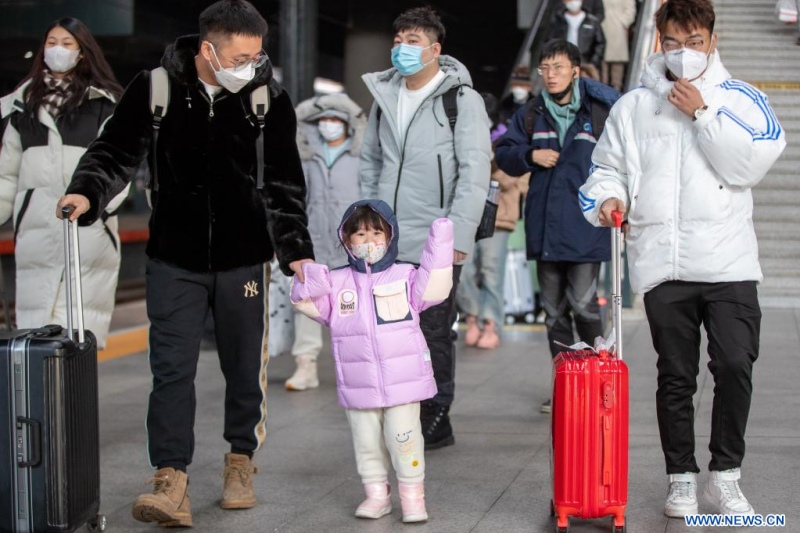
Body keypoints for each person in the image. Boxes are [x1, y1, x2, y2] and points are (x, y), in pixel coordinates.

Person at [56, 0, 314, 527]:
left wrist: (296, 252)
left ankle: (241, 459)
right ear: (208, 50)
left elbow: (285, 183)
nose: (252, 64)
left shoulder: (267, 99)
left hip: (244, 260)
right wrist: (86, 192)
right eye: (241, 56)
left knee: (245, 368)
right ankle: (170, 478)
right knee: (170, 371)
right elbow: (114, 151)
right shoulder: (156, 89)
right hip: (174, 256)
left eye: (258, 54)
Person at [579, 0, 785, 519]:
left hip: (729, 263)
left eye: (695, 42)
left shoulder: (742, 98)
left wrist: (702, 112)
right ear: (659, 41)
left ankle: (727, 475)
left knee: (735, 364)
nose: (684, 53)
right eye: (674, 42)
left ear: (711, 42)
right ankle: (682, 479)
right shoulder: (633, 107)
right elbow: (605, 169)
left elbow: (749, 165)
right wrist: (607, 199)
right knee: (675, 375)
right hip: (663, 262)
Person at [359, 6, 492, 450]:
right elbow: (371, 163)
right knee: (390, 330)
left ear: (435, 50)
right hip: (386, 239)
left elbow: (475, 171)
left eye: (412, 41)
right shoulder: (384, 96)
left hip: (436, 239)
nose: (402, 48)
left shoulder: (461, 100)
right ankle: (402, 412)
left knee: (434, 329)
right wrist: (366, 223)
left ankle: (437, 415)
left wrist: (457, 234)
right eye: (398, 39)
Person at [290, 200, 453, 523]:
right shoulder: (337, 282)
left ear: (390, 236)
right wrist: (312, 276)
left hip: (402, 382)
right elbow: (306, 302)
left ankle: (412, 498)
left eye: (376, 233)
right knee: (366, 443)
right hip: (359, 383)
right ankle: (376, 495)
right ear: (346, 240)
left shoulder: (406, 276)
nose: (368, 241)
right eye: (360, 234)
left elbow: (436, 286)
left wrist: (442, 240)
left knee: (404, 440)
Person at [494, 39, 620, 414]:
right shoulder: (531, 113)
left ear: (576, 71)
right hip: (545, 227)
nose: (550, 75)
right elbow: (503, 154)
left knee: (583, 306)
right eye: (545, 68)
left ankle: (600, 382)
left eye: (559, 68)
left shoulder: (598, 111)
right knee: (553, 314)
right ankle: (566, 388)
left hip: (586, 225)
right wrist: (530, 154)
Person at [0, 17, 126, 348]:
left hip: (88, 233)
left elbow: (120, 162)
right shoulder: (20, 107)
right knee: (37, 340)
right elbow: (6, 174)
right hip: (36, 231)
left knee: (79, 339)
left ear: (83, 53)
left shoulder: (104, 105)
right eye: (52, 43)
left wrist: (100, 207)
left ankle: (76, 401)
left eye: (68, 44)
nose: (59, 50)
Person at [284, 93, 366, 392]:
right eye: (323, 120)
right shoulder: (306, 155)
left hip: (351, 248)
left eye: (335, 119)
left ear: (347, 123)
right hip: (313, 243)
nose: (328, 124)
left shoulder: (361, 156)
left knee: (353, 308)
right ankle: (305, 366)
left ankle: (356, 369)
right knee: (308, 305)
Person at [458, 93, 528, 350]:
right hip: (467, 213)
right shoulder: (465, 136)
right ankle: (472, 315)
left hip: (498, 214)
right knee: (462, 269)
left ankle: (490, 323)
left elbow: (515, 178)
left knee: (490, 269)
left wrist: (492, 161)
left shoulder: (507, 137)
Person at [548, 0, 606, 79]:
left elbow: (600, 43)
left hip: (586, 64)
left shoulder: (592, 21)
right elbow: (551, 42)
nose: (573, 2)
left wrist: (593, 62)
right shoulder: (558, 21)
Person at [601, 0, 637, 91]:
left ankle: (616, 90)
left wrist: (622, 22)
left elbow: (630, 10)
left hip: (617, 29)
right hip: (601, 27)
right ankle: (601, 89)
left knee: (617, 61)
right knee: (601, 61)